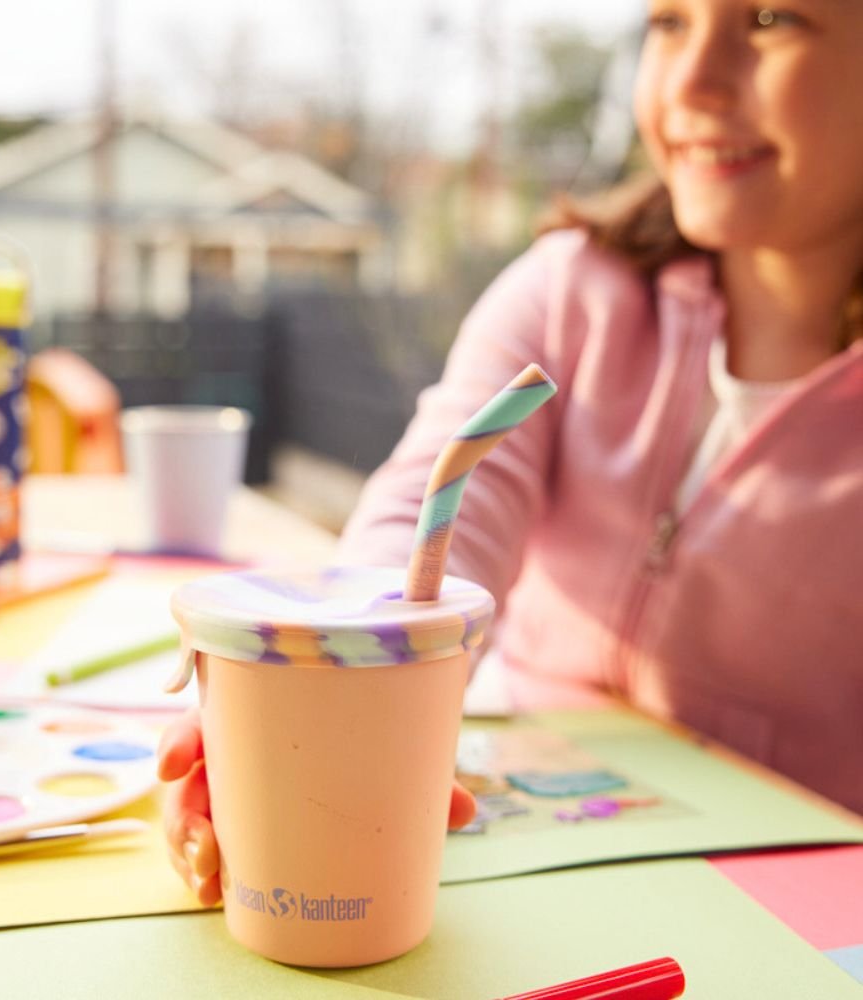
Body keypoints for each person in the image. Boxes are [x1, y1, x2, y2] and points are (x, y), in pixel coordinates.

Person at [159, 0, 863, 899]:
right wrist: (334, 695)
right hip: (537, 853)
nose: (692, 81)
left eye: (769, 19)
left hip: (808, 902)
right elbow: (429, 506)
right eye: (668, 22)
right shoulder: (571, 291)